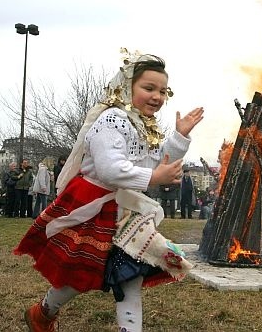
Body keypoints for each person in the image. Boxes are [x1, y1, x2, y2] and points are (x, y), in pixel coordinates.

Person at [15, 50, 204, 332]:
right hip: (95, 204)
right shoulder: (112, 119)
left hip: (124, 209)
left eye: (163, 91)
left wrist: (179, 137)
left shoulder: (143, 125)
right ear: (128, 87)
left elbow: (155, 161)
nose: (157, 96)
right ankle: (43, 312)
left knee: (130, 276)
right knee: (82, 274)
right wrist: (154, 176)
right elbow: (110, 169)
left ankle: (45, 313)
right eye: (148, 88)